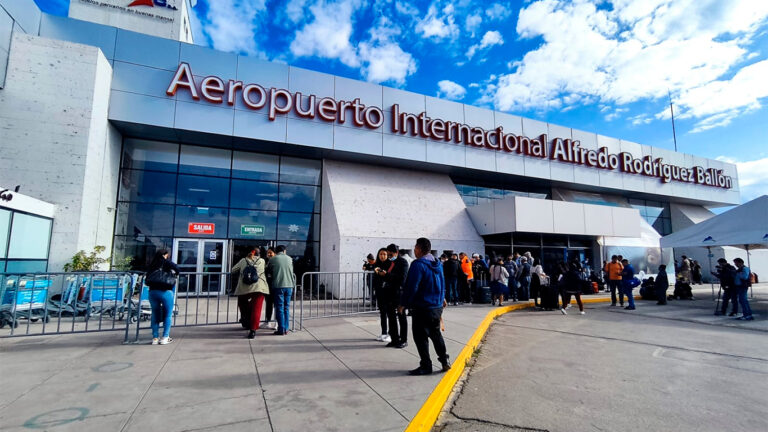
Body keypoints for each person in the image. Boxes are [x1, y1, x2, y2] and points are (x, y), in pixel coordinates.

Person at [400, 237, 450, 376]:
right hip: (436, 306)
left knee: (420, 337)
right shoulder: (438, 263)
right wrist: (442, 298)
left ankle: (426, 365)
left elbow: (411, 286)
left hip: (422, 307)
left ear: (419, 248)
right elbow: (442, 282)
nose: (414, 251)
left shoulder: (418, 264)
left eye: (415, 248)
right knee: (436, 334)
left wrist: (403, 303)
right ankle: (444, 361)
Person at [376, 243, 409, 348]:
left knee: (401, 316)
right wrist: (382, 273)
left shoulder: (402, 262)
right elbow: (387, 277)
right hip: (389, 293)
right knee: (391, 317)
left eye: (390, 254)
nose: (389, 256)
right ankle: (394, 339)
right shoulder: (389, 263)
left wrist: (386, 274)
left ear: (396, 253)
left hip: (399, 293)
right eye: (388, 255)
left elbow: (401, 278)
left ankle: (403, 340)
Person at [232, 247, 269, 339]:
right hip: (259, 287)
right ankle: (253, 330)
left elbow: (233, 270)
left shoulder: (243, 260)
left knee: (242, 303)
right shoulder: (262, 261)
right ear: (259, 254)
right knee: (257, 308)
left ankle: (245, 319)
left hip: (244, 288)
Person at [146, 249, 180, 345]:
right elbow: (177, 269)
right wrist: (175, 274)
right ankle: (165, 337)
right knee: (168, 314)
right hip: (165, 291)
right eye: (167, 255)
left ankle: (155, 338)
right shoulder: (166, 263)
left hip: (152, 291)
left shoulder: (152, 264)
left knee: (155, 314)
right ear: (164, 255)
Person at [267, 245, 295, 335]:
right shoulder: (290, 259)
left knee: (279, 308)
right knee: (286, 307)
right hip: (290, 285)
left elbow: (269, 271)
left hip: (279, 286)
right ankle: (286, 329)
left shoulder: (273, 259)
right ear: (284, 251)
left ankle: (281, 329)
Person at [372, 248, 391, 342]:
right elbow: (375, 279)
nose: (382, 256)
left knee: (389, 313)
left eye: (384, 254)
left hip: (388, 292)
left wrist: (382, 273)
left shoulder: (390, 265)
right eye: (380, 254)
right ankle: (384, 332)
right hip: (379, 292)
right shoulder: (376, 265)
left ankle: (391, 334)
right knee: (382, 313)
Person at [262, 247, 277, 329]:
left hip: (275, 286)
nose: (269, 254)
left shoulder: (276, 261)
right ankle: (267, 321)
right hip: (267, 286)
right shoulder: (265, 261)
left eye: (270, 252)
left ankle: (276, 323)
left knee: (277, 305)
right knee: (268, 304)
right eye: (268, 253)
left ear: (274, 253)